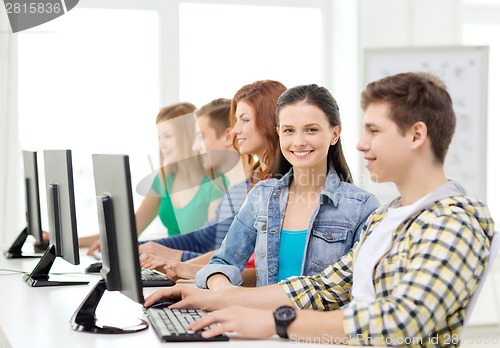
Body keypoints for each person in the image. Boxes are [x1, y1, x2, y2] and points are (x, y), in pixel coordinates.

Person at [144, 74, 495, 345]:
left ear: (416, 136)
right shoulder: (387, 217)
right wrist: (215, 297)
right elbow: (322, 286)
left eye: (373, 130)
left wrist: (278, 321)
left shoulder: (453, 220)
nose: (361, 143)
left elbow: (402, 321)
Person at [187, 83, 379, 290]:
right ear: (279, 133)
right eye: (289, 130)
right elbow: (223, 263)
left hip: (320, 322)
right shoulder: (261, 196)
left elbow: (360, 288)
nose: (298, 141)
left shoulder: (362, 207)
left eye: (311, 130)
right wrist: (224, 289)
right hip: (259, 320)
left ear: (335, 133)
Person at [138, 80, 287, 266]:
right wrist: (147, 248)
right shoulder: (249, 184)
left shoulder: (272, 186)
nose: (235, 130)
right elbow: (209, 241)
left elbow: (240, 257)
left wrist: (181, 263)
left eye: (245, 120)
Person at [81, 102, 228, 253]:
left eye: (168, 136)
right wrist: (77, 242)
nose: (162, 145)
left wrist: (149, 249)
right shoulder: (163, 180)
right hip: (167, 265)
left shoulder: (216, 182)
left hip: (192, 268)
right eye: (159, 137)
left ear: (189, 136)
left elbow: (213, 247)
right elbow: (126, 233)